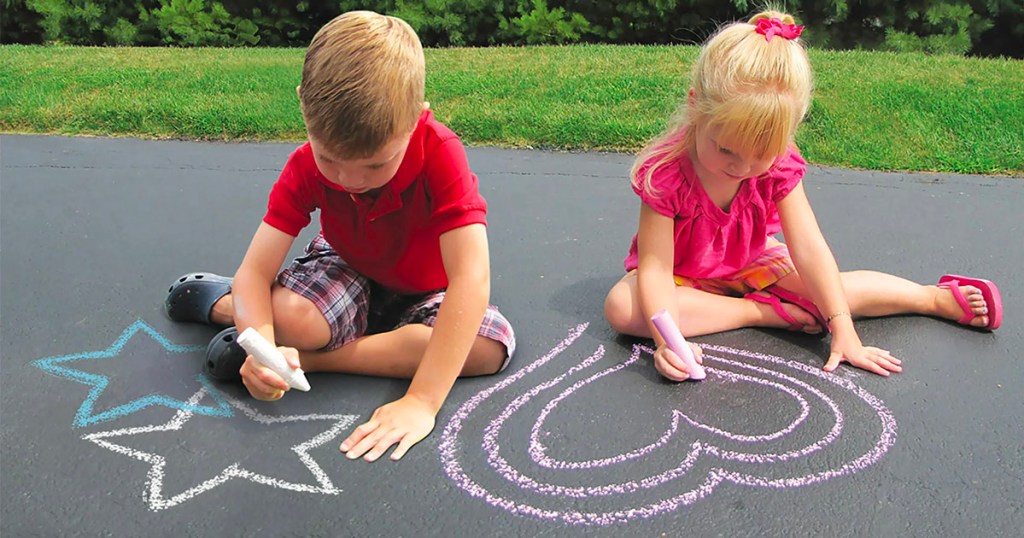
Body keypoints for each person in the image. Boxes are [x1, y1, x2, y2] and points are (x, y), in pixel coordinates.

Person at [164, 11, 515, 462]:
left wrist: (422, 401)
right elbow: (254, 270)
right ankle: (226, 305)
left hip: (427, 287)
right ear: (302, 107)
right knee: (295, 322)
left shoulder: (439, 153)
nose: (350, 180)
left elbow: (471, 277)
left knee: (488, 347)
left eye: (375, 165)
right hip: (348, 264)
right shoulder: (305, 163)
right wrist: (263, 343)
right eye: (330, 160)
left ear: (417, 119)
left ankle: (307, 360)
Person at [603, 10, 1002, 382]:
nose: (742, 168)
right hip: (682, 275)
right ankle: (760, 312)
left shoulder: (780, 164)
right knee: (623, 308)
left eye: (761, 154)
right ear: (695, 110)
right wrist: (667, 343)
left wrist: (842, 327)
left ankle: (929, 298)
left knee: (830, 289)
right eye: (726, 150)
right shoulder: (667, 172)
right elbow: (655, 270)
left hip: (750, 260)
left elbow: (808, 247)